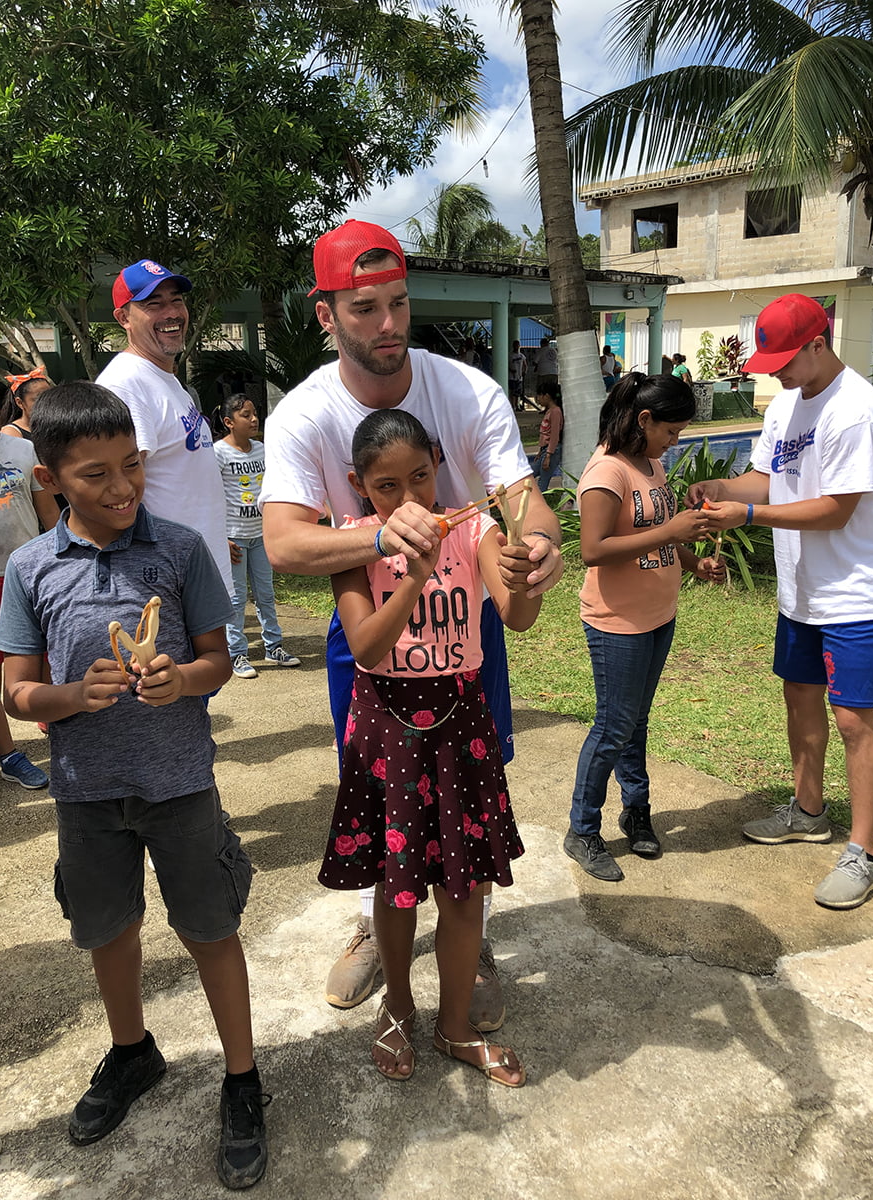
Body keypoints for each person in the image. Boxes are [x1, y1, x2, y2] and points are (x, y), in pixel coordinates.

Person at [260, 218, 563, 1026]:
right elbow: (286, 543)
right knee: (379, 794)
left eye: (397, 302)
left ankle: (475, 936)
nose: (388, 324)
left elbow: (522, 503)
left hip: (467, 618)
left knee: (473, 785)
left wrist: (538, 548)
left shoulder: (468, 391)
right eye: (364, 309)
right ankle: (373, 924)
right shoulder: (302, 415)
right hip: (367, 612)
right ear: (326, 314)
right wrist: (381, 533)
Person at [0, 382, 269, 1189]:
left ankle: (243, 1078)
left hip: (180, 785)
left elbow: (218, 658)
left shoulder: (180, 551)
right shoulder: (30, 567)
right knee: (106, 931)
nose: (119, 489)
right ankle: (130, 1051)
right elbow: (16, 690)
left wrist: (181, 680)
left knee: (210, 927)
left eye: (130, 468)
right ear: (49, 479)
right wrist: (73, 696)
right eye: (94, 476)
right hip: (85, 793)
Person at [319, 408, 540, 1086]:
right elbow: (365, 646)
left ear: (439, 464)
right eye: (388, 487)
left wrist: (522, 570)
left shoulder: (472, 528)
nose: (410, 500)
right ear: (360, 485)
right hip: (387, 730)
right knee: (396, 884)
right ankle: (398, 1006)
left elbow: (518, 615)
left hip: (459, 723)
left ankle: (453, 1024)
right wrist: (412, 571)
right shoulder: (354, 543)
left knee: (464, 885)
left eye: (420, 477)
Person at [689, 293, 873, 910]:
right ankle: (808, 810)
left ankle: (865, 854)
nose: (773, 370)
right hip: (800, 590)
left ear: (817, 345)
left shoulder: (857, 411)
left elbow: (837, 508)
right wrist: (721, 486)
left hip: (856, 592)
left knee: (854, 719)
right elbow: (768, 477)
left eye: (784, 358)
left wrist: (747, 512)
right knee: (799, 697)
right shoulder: (786, 405)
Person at [565, 373, 725, 881]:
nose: (674, 443)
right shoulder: (606, 473)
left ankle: (637, 812)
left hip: (658, 614)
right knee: (613, 727)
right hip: (618, 623)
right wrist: (670, 530)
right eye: (671, 431)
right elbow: (593, 550)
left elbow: (655, 531)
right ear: (644, 419)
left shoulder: (649, 464)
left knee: (636, 723)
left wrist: (692, 560)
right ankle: (582, 829)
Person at [96, 259, 232, 596]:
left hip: (194, 576)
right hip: (162, 584)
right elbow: (116, 490)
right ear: (123, 318)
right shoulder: (126, 384)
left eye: (176, 300)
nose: (170, 312)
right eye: (153, 304)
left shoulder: (165, 380)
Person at [0, 376, 57, 787]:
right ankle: (7, 750)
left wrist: (60, 560)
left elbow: (47, 511)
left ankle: (51, 715)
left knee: (41, 650)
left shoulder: (22, 449)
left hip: (25, 573)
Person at [213, 394, 300, 679]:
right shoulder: (218, 454)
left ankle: (273, 646)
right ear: (228, 422)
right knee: (236, 599)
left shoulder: (262, 450)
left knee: (266, 594)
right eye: (246, 415)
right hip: (234, 539)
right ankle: (236, 653)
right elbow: (209, 496)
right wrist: (220, 538)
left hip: (261, 536)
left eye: (254, 413)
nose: (254, 419)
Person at [0, 368, 52, 439]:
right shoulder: (11, 433)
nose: (46, 403)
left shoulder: (53, 426)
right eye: (38, 399)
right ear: (20, 402)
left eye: (50, 397)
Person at [531, 383, 564, 491]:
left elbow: (554, 435)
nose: (538, 399)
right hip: (544, 450)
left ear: (547, 396)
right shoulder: (549, 412)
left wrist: (549, 455)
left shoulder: (555, 412)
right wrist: (541, 452)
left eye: (539, 396)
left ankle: (539, 504)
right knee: (530, 474)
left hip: (551, 450)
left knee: (543, 481)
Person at [508, 339, 527, 410]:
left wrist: (524, 371)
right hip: (512, 376)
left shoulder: (522, 356)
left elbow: (525, 364)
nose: (517, 346)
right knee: (512, 392)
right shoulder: (510, 355)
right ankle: (512, 406)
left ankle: (517, 405)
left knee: (517, 393)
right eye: (515, 345)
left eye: (518, 345)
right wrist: (511, 370)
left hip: (519, 377)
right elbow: (507, 365)